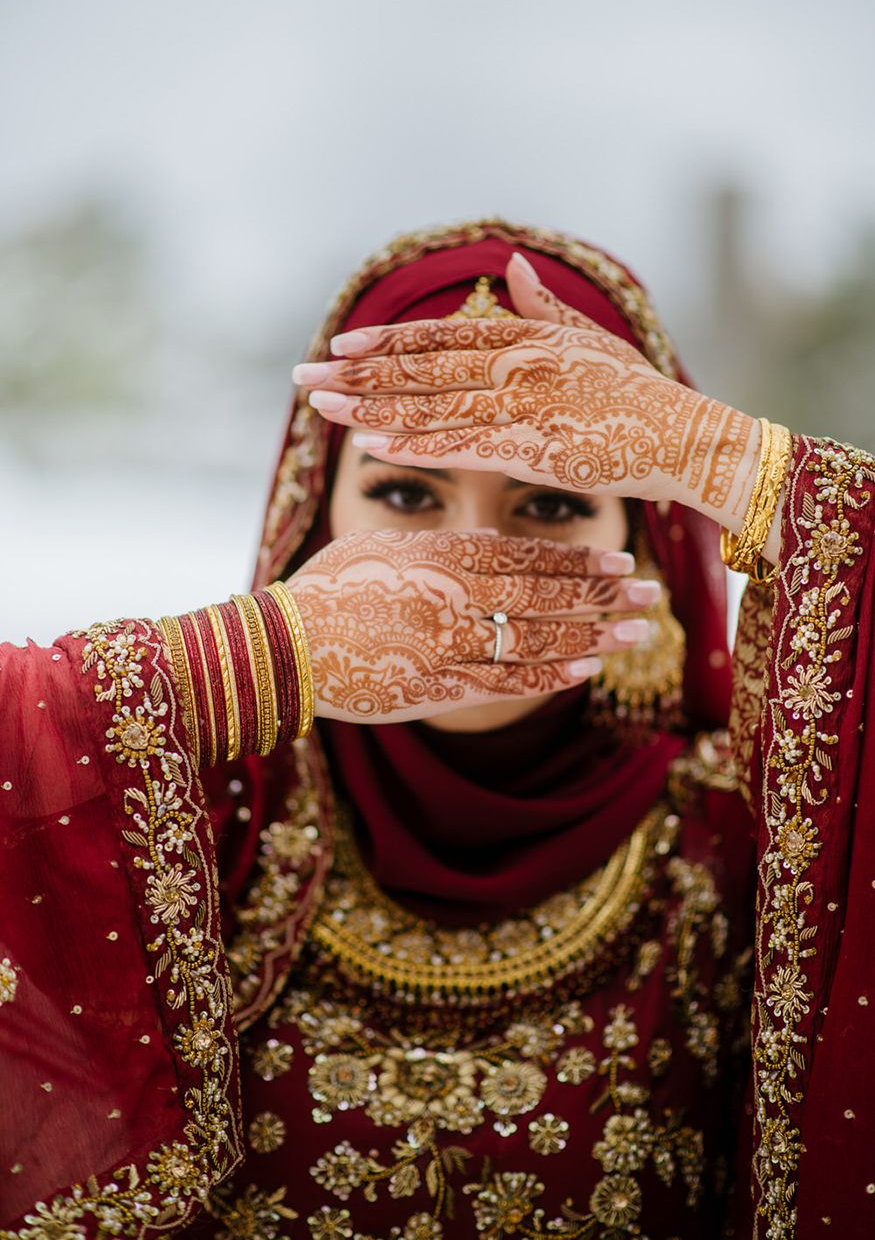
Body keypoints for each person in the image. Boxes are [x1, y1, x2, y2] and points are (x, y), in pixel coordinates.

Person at [1, 219, 873, 1240]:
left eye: (548, 502)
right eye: (406, 493)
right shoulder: (186, 816)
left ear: (641, 543)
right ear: (314, 518)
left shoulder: (754, 841)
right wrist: (245, 664)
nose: (465, 563)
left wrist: (731, 462)